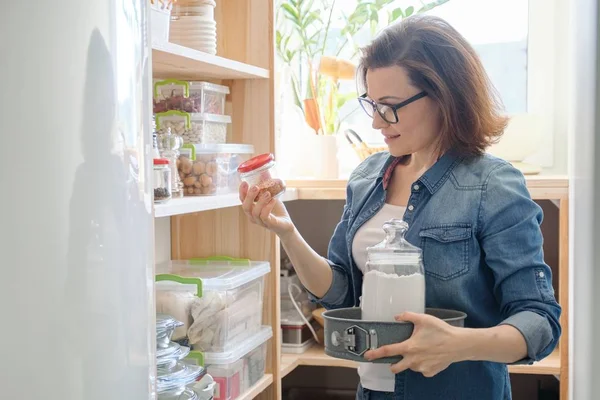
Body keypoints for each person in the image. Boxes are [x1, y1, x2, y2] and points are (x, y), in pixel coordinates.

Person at [239, 14, 561, 400]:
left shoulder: (492, 185)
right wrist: (286, 231)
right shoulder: (367, 177)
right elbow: (339, 292)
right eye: (371, 104)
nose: (376, 122)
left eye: (390, 106)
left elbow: (539, 322)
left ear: (444, 96)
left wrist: (456, 344)